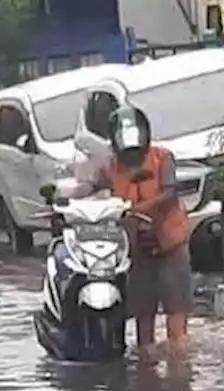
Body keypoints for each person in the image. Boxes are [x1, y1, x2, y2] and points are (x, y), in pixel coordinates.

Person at [61, 105, 192, 359]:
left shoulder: (162, 158)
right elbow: (89, 187)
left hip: (170, 244)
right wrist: (66, 199)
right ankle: (147, 372)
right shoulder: (110, 167)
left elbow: (169, 193)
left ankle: (178, 370)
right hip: (137, 249)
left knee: (176, 311)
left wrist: (134, 208)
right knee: (144, 315)